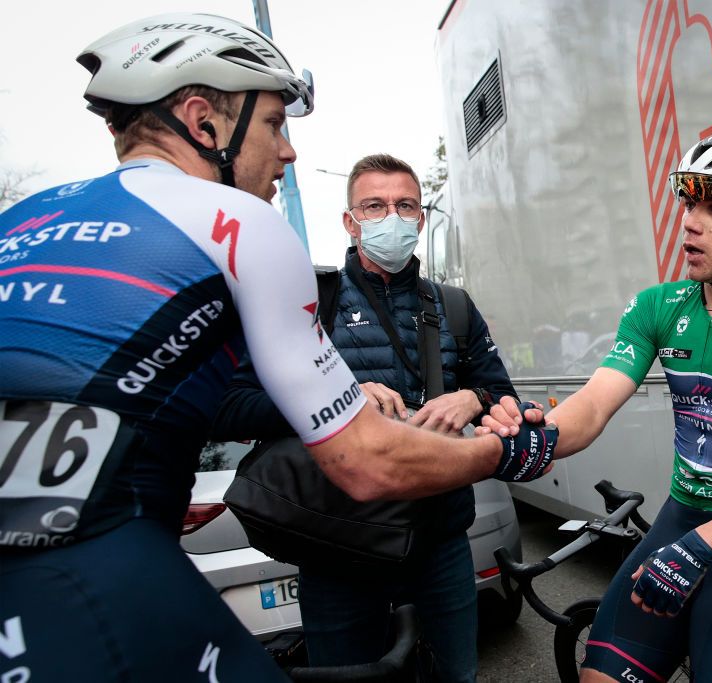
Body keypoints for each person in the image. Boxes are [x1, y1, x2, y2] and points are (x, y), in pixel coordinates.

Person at [0, 13, 554, 683]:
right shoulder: (243, 225)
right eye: (271, 124)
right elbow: (365, 463)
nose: (287, 152)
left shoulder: (22, 220)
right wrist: (510, 450)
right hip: (127, 567)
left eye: (409, 206)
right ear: (203, 122)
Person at [482, 133, 712, 682]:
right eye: (689, 204)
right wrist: (539, 437)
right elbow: (595, 403)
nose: (690, 223)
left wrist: (699, 549)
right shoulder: (658, 307)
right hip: (681, 521)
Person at [211, 152, 518, 681]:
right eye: (374, 206)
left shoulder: (454, 305)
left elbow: (505, 397)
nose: (391, 218)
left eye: (404, 206)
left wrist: (476, 400)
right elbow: (229, 407)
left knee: (456, 675)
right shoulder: (308, 300)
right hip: (338, 546)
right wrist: (337, 397)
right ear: (350, 222)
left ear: (420, 220)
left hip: (440, 539)